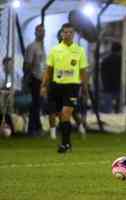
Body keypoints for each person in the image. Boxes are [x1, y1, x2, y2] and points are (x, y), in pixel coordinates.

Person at [41, 23, 88, 153]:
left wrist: (84, 87)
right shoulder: (55, 50)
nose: (67, 34)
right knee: (60, 115)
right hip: (56, 86)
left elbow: (83, 71)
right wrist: (44, 85)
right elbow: (49, 70)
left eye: (70, 32)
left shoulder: (79, 50)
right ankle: (64, 142)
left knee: (66, 113)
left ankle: (65, 144)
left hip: (72, 86)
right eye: (65, 32)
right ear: (61, 34)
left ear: (73, 34)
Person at [24, 24, 46, 136]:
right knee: (34, 105)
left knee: (38, 105)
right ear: (35, 32)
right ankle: (32, 129)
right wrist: (26, 80)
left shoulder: (42, 46)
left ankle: (37, 128)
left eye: (43, 31)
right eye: (39, 31)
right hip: (34, 79)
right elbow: (27, 64)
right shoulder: (32, 47)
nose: (41, 33)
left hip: (41, 80)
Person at [0, 57, 23, 135]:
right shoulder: (1, 74)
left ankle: (10, 127)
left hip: (16, 94)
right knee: (3, 100)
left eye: (11, 64)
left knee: (6, 101)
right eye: (8, 65)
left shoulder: (17, 73)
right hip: (4, 94)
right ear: (3, 65)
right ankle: (9, 127)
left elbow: (20, 87)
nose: (10, 66)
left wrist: (13, 91)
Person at [100, 42, 122, 113]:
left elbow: (102, 74)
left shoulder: (105, 60)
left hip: (107, 86)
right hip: (117, 86)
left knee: (108, 109)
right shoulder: (121, 60)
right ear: (119, 50)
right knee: (118, 109)